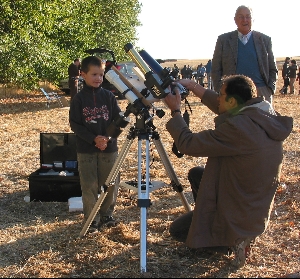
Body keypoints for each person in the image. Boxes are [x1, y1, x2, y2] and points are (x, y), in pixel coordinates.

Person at [163, 75, 293, 268]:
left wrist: (175, 111)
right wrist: (192, 86)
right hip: (253, 204)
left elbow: (188, 144)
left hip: (240, 211)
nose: (217, 98)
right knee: (197, 174)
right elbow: (224, 108)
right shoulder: (262, 112)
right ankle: (221, 227)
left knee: (178, 230)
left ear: (232, 101)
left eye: (221, 94)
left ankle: (229, 240)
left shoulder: (239, 128)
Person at [69, 56, 121, 233]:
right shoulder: (78, 99)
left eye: (101, 74)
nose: (98, 78)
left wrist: (107, 138)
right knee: (89, 184)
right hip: (86, 150)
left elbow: (119, 120)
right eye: (94, 74)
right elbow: (75, 124)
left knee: (110, 183)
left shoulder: (109, 96)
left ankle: (107, 215)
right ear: (83, 74)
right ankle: (90, 218)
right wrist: (94, 139)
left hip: (109, 148)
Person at [211, 5, 278, 104]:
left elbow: (273, 69)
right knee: (234, 120)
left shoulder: (265, 40)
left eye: (248, 16)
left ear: (252, 19)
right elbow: (216, 69)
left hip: (261, 94)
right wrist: (220, 90)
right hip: (233, 95)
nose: (244, 20)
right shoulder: (223, 40)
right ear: (235, 20)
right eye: (241, 17)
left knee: (261, 120)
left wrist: (270, 89)